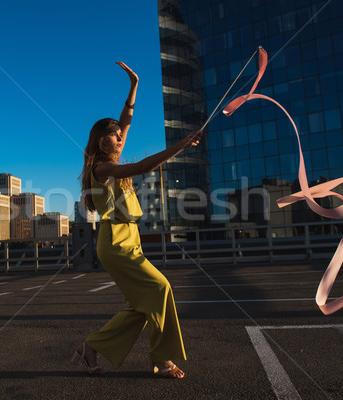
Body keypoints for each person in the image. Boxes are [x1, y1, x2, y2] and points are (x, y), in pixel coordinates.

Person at [72, 61, 202, 379]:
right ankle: (162, 359)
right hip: (115, 242)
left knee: (142, 305)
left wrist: (134, 86)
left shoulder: (111, 156)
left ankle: (90, 347)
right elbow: (143, 168)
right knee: (161, 288)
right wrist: (182, 145)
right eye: (113, 135)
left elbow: (126, 119)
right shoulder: (101, 169)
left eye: (119, 135)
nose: (119, 138)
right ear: (100, 140)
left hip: (129, 239)